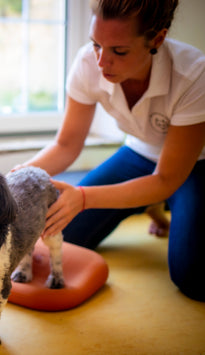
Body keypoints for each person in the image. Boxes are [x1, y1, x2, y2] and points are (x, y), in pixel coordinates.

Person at [11, 0, 205, 302]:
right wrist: (20, 175)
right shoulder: (88, 62)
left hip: (195, 166)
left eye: (119, 51)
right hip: (140, 153)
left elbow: (166, 179)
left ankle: (156, 206)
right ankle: (148, 205)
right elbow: (66, 145)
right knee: (62, 233)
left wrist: (84, 197)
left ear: (157, 40)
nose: (101, 62)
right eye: (96, 44)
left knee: (193, 278)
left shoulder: (194, 74)